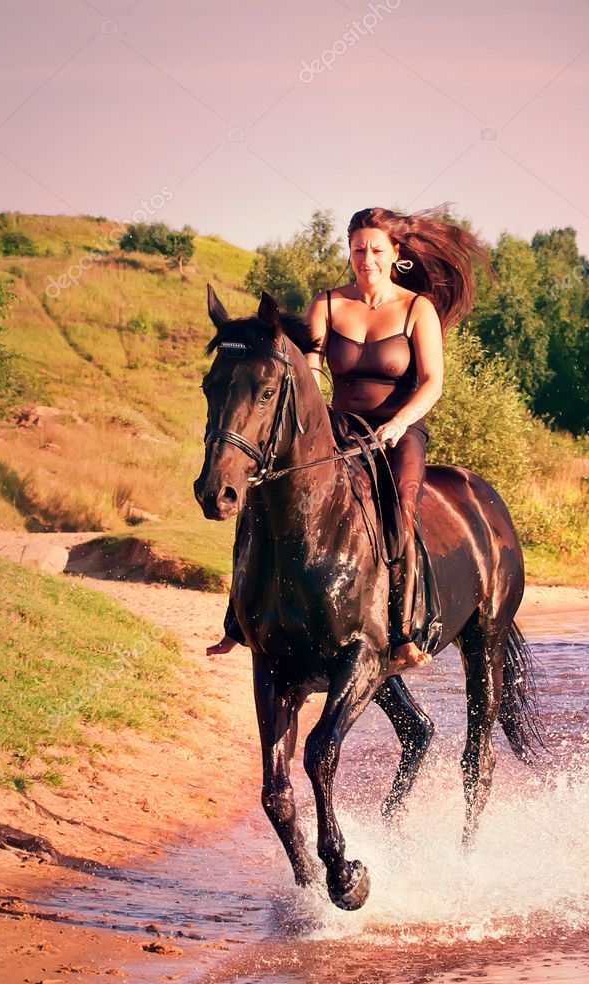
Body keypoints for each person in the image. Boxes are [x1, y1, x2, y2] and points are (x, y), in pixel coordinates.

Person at [207, 205, 490, 669]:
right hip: (339, 427)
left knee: (401, 503)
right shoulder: (328, 304)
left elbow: (432, 382)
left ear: (395, 253)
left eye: (376, 249)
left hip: (400, 431)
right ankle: (237, 619)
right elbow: (311, 373)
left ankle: (401, 629)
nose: (366, 258)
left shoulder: (419, 309)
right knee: (264, 491)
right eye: (358, 249)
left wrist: (400, 423)